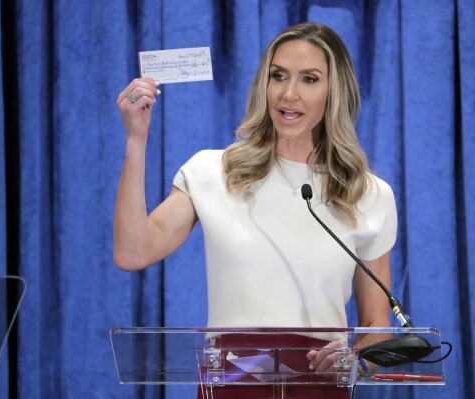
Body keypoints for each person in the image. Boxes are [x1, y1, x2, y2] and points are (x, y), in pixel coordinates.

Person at [114, 22, 397, 398]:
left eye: (309, 79)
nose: (289, 93)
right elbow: (133, 251)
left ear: (335, 92)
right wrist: (136, 139)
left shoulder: (368, 194)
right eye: (278, 76)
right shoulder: (212, 171)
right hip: (230, 386)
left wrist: (355, 360)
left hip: (319, 388)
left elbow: (377, 323)